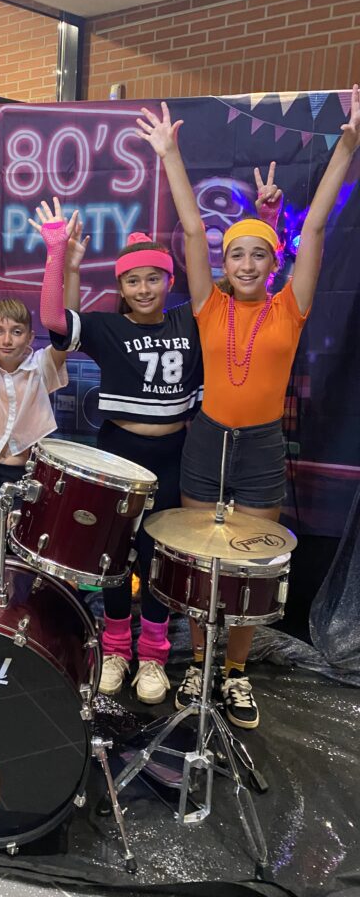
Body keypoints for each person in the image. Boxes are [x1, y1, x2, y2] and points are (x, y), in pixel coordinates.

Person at [136, 85, 360, 728]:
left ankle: (234, 673)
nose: (246, 262)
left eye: (258, 253)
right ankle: (198, 666)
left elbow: (314, 226)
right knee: (202, 560)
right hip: (207, 439)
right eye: (236, 252)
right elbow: (190, 228)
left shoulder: (292, 306)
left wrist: (347, 145)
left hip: (261, 447)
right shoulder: (209, 305)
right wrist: (169, 155)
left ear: (272, 261)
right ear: (224, 260)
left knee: (250, 565)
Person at [34, 198, 204, 706]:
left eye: (153, 278)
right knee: (112, 557)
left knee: (157, 559)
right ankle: (114, 649)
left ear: (169, 280)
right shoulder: (109, 328)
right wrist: (57, 253)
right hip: (120, 454)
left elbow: (233, 293)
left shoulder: (190, 321)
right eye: (133, 281)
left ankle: (152, 653)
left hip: (173, 455)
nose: (143, 289)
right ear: (121, 287)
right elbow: (55, 319)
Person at [0, 207, 73, 503]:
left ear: (30, 337)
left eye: (16, 332)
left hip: (26, 475)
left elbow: (69, 327)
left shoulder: (41, 366)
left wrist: (67, 264)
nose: (6, 340)